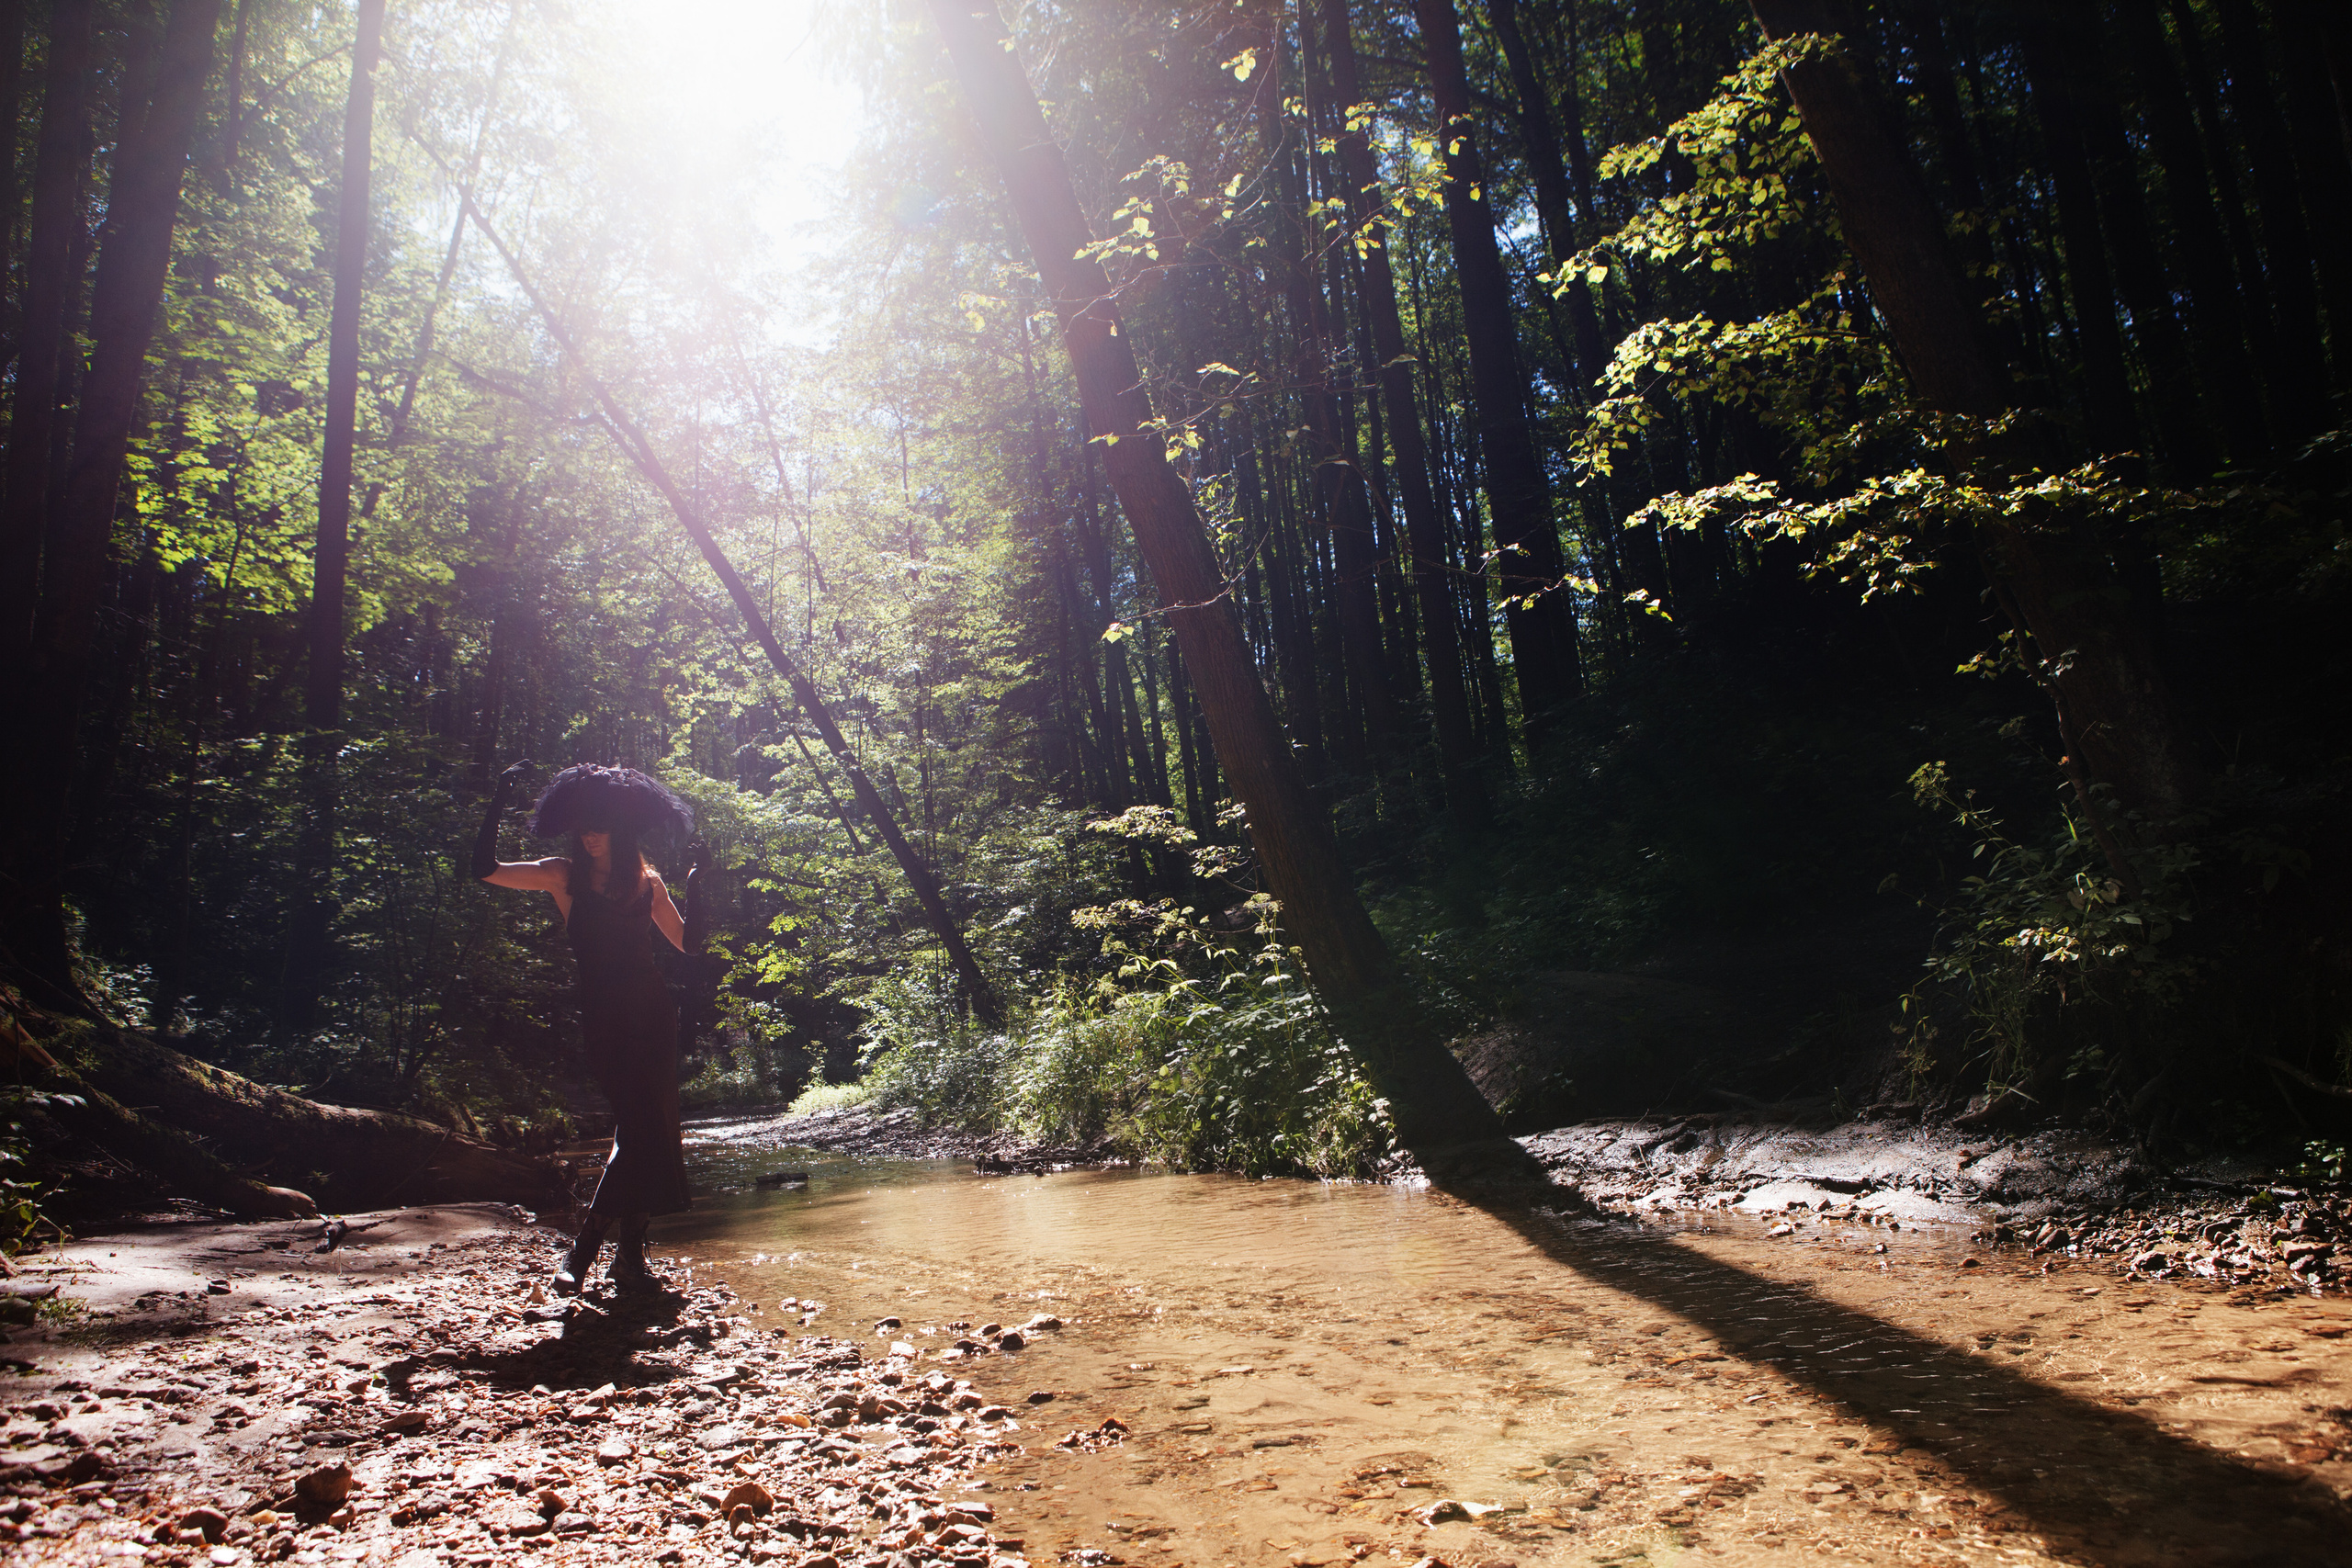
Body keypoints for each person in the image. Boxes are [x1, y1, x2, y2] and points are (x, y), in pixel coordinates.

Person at [471, 761, 701, 1292]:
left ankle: (618, 1258)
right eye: (584, 825)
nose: (590, 834)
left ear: (620, 829)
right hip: (605, 1019)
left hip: (652, 1015)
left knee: (650, 1130)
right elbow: (484, 869)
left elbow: (689, 945)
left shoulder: (649, 884)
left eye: (600, 824)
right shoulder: (563, 875)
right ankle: (595, 1249)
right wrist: (498, 802)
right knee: (642, 1128)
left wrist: (695, 888)